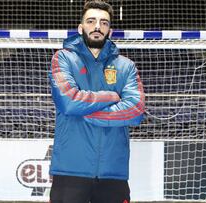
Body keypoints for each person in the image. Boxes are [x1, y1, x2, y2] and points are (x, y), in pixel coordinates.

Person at [48, 1, 145, 202]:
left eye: (104, 23)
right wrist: (111, 97)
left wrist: (84, 110)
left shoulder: (126, 66)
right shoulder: (63, 58)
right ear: (80, 27)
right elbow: (68, 102)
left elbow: (135, 111)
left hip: (113, 174)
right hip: (69, 172)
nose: (97, 27)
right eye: (91, 21)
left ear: (110, 30)